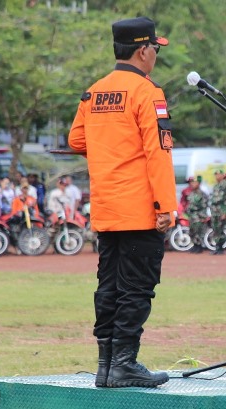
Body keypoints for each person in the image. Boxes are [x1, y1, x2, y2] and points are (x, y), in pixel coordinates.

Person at [68, 17, 176, 389]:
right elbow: (158, 153)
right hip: (141, 210)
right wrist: (166, 207)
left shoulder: (94, 91)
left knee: (109, 285)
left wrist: (110, 147)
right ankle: (125, 364)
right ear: (144, 50)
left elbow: (76, 141)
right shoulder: (147, 92)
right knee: (137, 287)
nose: (156, 56)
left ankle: (106, 365)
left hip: (107, 209)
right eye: (156, 49)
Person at [184, 176, 208, 253]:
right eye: (191, 183)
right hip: (192, 216)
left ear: (198, 183)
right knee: (192, 231)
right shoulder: (191, 193)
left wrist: (202, 217)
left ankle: (199, 247)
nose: (192, 184)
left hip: (198, 216)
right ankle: (195, 245)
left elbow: (204, 206)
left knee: (199, 232)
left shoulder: (202, 194)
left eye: (194, 182)